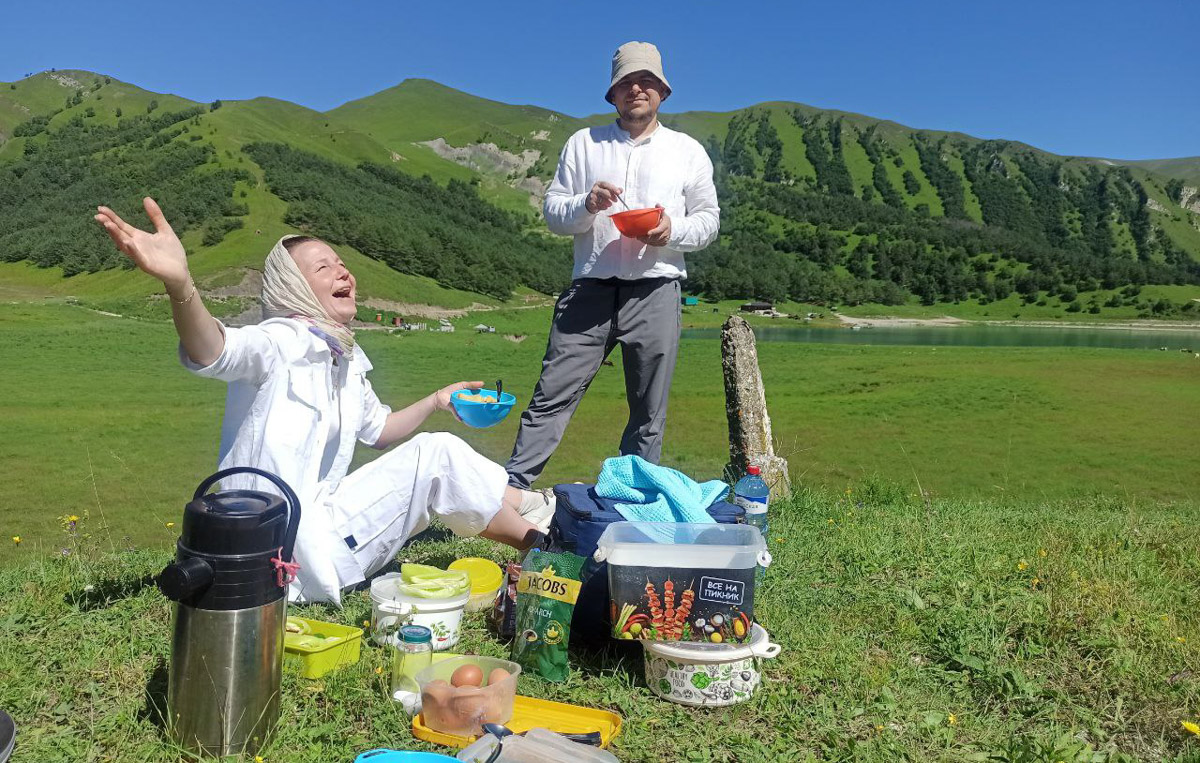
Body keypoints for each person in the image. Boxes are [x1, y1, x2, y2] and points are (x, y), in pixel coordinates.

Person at [94, 199, 553, 605]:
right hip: (276, 552)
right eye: (323, 268)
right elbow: (212, 349)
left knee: (437, 451)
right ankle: (545, 544)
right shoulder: (277, 343)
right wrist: (181, 284)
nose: (343, 272)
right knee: (437, 455)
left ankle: (535, 522)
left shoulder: (344, 358)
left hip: (323, 527)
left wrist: (437, 400)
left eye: (341, 264)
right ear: (292, 287)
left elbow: (378, 431)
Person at [506, 41, 720, 490]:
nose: (636, 89)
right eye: (625, 82)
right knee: (551, 394)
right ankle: (513, 489)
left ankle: (634, 497)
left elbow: (708, 222)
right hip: (589, 289)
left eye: (646, 81)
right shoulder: (584, 144)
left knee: (648, 407)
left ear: (662, 91)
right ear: (612, 94)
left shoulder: (687, 150)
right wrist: (587, 204)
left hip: (656, 287)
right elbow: (553, 214)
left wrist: (669, 230)